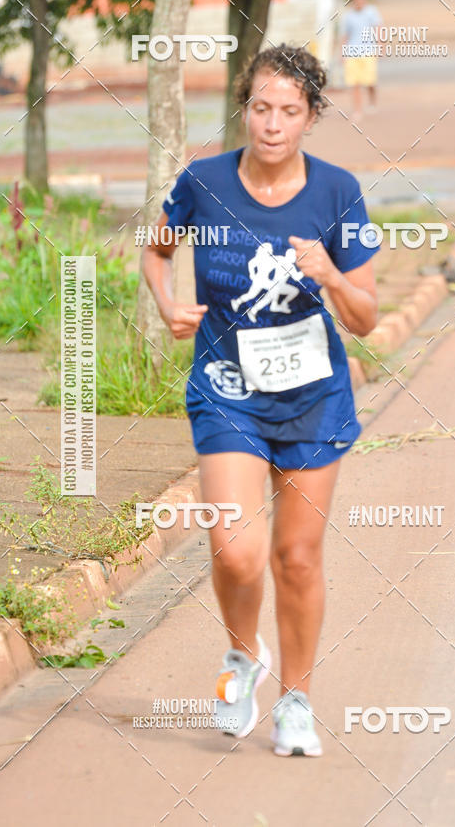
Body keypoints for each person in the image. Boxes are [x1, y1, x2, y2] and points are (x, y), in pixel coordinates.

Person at [142, 44, 379, 757]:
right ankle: (242, 659)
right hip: (228, 391)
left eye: (289, 112)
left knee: (297, 559)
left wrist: (331, 274)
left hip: (312, 397)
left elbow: (365, 317)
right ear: (246, 108)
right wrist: (167, 303)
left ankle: (297, 702)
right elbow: (157, 250)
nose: (272, 124)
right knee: (236, 551)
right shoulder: (203, 182)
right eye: (261, 108)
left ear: (311, 119)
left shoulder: (338, 192)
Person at [340, 0, 382, 122]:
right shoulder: (348, 16)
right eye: (356, 0)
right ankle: (357, 110)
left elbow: (378, 29)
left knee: (370, 81)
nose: (359, 2)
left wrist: (380, 45)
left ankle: (372, 101)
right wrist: (343, 53)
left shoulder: (371, 12)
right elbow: (345, 36)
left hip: (368, 51)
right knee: (354, 83)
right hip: (353, 52)